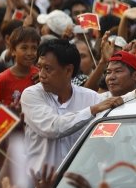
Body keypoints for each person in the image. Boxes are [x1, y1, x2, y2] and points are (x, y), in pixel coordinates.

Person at [20, 39, 124, 171]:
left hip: (81, 185)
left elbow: (118, 101)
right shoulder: (31, 95)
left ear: (68, 70)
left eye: (47, 69)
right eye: (39, 68)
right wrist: (91, 111)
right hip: (41, 187)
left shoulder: (91, 97)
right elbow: (53, 127)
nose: (41, 75)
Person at [0, 26, 39, 111]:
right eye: (24, 48)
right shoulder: (2, 79)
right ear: (13, 51)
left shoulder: (39, 76)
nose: (30, 53)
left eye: (34, 48)